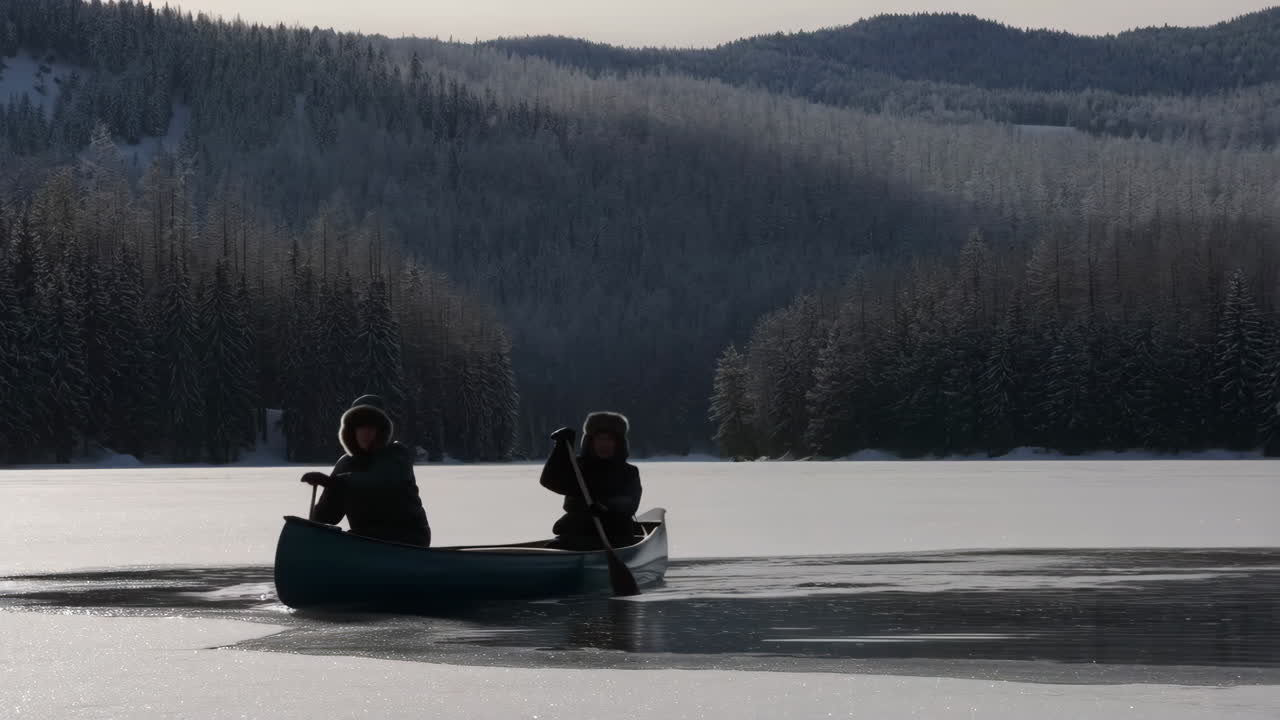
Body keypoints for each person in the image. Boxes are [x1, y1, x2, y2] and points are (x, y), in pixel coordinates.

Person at [300, 395, 431, 546]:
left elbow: (379, 479)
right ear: (351, 431)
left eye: (372, 427)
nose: (366, 433)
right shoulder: (345, 464)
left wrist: (333, 483)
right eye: (360, 427)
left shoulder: (397, 455)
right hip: (366, 539)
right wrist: (315, 521)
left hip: (408, 538)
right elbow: (329, 516)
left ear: (382, 431)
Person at [540, 411, 642, 550]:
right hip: (577, 532)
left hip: (615, 535)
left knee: (617, 533)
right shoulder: (578, 467)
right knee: (556, 545)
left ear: (618, 443)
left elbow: (630, 502)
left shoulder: (629, 472)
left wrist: (606, 507)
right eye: (599, 439)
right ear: (590, 441)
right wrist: (561, 447)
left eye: (609, 439)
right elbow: (550, 481)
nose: (604, 444)